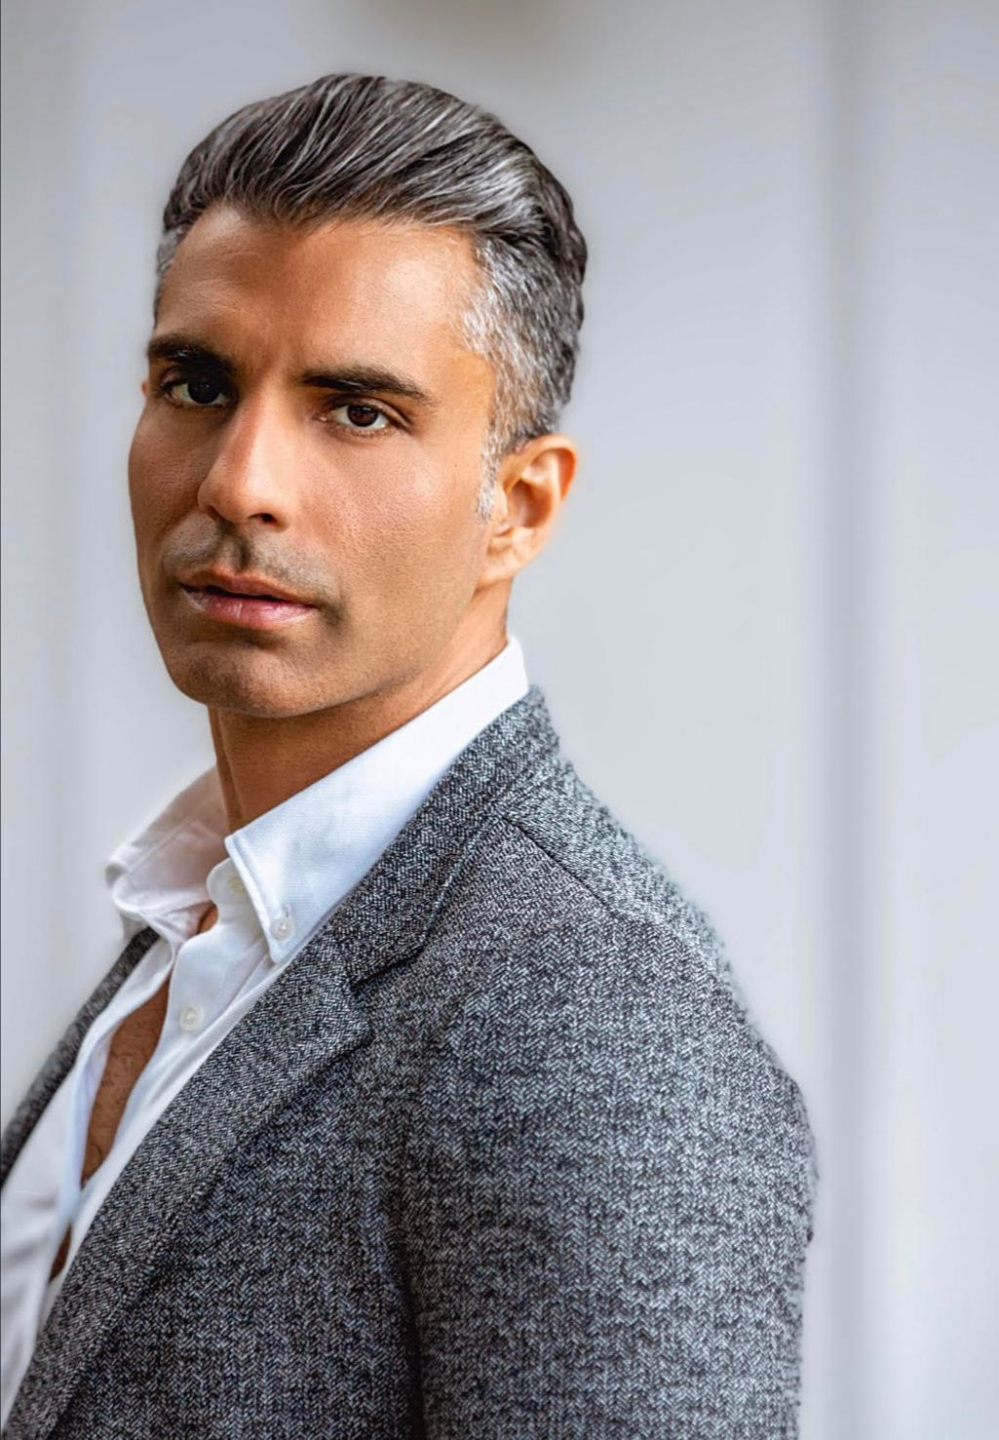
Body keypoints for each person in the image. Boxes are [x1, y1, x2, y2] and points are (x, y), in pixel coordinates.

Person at [0, 72, 817, 1438]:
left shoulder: (587, 1018)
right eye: (197, 384)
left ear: (520, 507)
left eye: (358, 411)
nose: (239, 482)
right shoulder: (196, 913)